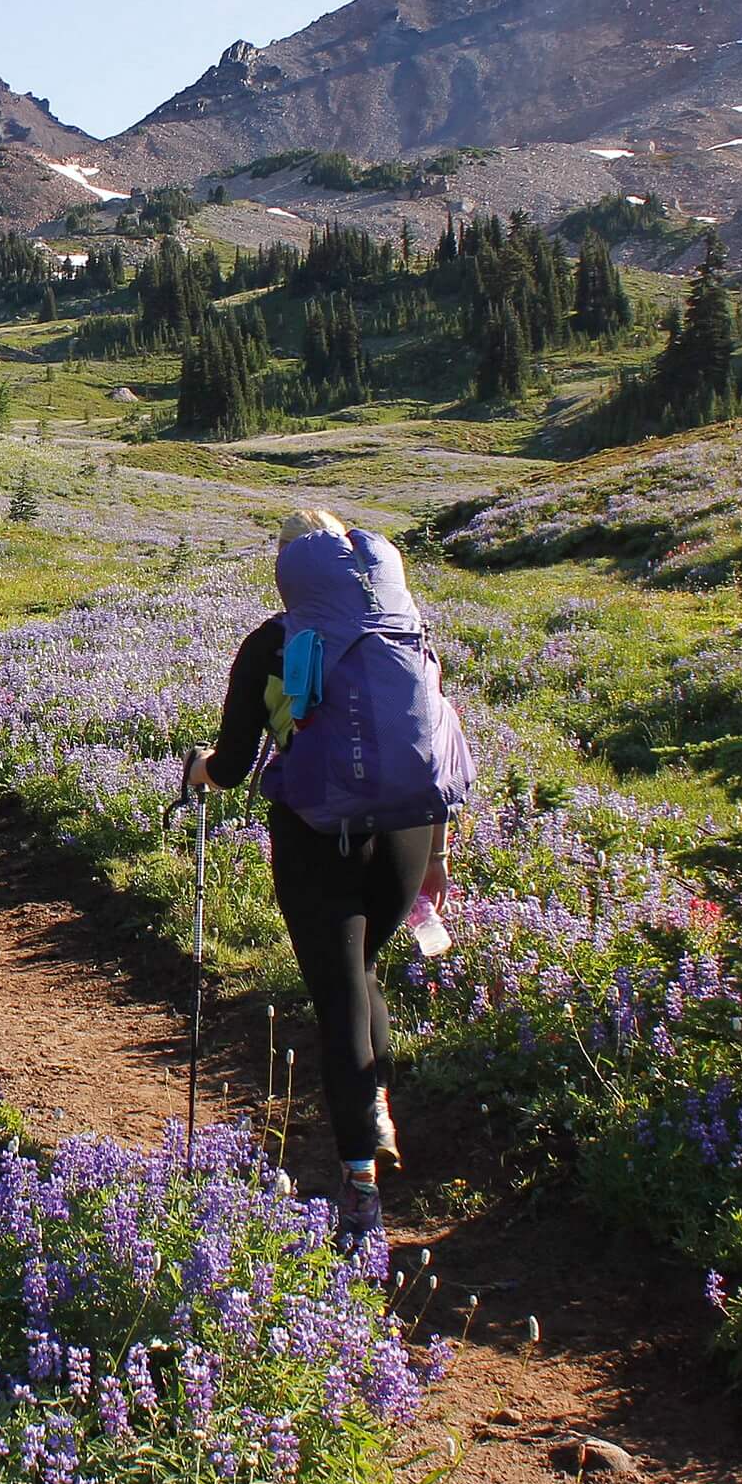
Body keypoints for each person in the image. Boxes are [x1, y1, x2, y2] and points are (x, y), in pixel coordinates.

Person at [181, 509, 471, 1237]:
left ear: (289, 570)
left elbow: (238, 763)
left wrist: (199, 771)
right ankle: (374, 1107)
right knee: (363, 971)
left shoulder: (274, 643)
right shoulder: (403, 631)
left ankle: (359, 1189)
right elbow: (429, 751)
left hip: (317, 835)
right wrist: (436, 858)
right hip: (407, 834)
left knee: (339, 996)